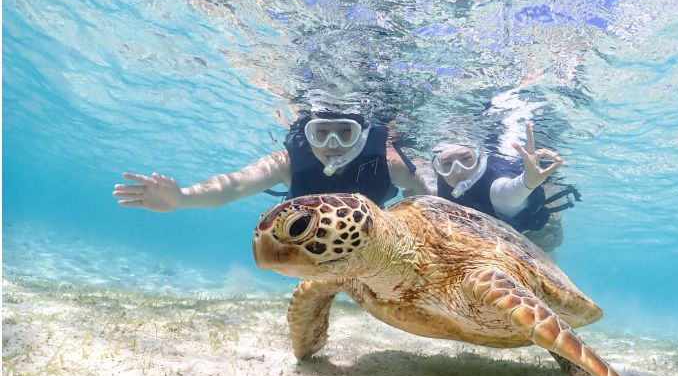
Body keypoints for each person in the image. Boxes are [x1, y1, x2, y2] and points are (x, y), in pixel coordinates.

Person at [113, 111, 430, 212]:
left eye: (344, 133)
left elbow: (423, 202)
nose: (332, 144)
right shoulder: (287, 164)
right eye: (320, 133)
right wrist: (183, 197)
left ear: (361, 134)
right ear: (307, 134)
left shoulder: (390, 163)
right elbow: (235, 186)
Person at [433, 121, 579, 252]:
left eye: (466, 158)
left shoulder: (495, 186)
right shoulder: (440, 179)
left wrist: (526, 183)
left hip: (525, 217)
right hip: (490, 229)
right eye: (447, 163)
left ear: (478, 158)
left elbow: (506, 195)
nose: (458, 169)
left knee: (548, 240)